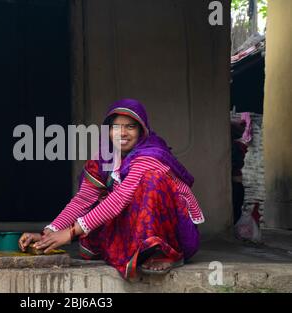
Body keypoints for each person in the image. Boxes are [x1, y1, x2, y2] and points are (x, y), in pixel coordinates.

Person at [18, 99, 204, 279]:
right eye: (116, 127)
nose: (122, 133)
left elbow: (121, 197)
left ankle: (161, 252)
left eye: (130, 127)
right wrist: (49, 233)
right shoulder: (104, 159)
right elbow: (84, 199)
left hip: (170, 228)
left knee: (151, 180)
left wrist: (71, 232)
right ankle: (137, 250)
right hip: (134, 222)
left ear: (142, 131)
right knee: (100, 203)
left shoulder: (150, 154)